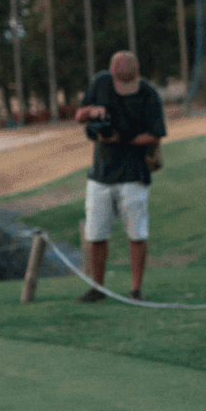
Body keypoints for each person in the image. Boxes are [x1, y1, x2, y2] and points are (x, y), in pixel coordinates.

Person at [73, 50, 167, 303]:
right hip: (101, 174)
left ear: (137, 75)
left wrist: (123, 139)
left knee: (137, 233)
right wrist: (92, 113)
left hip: (133, 174)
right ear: (111, 74)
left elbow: (156, 134)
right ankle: (97, 288)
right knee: (96, 235)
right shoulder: (100, 83)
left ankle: (136, 289)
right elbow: (79, 116)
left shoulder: (147, 94)